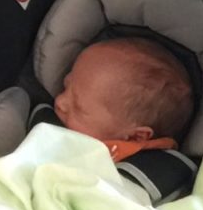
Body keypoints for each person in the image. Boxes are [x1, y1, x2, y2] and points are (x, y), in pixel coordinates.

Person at [48, 36, 194, 164]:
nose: (60, 102)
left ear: (135, 137)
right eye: (66, 86)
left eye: (78, 108)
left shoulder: (148, 169)